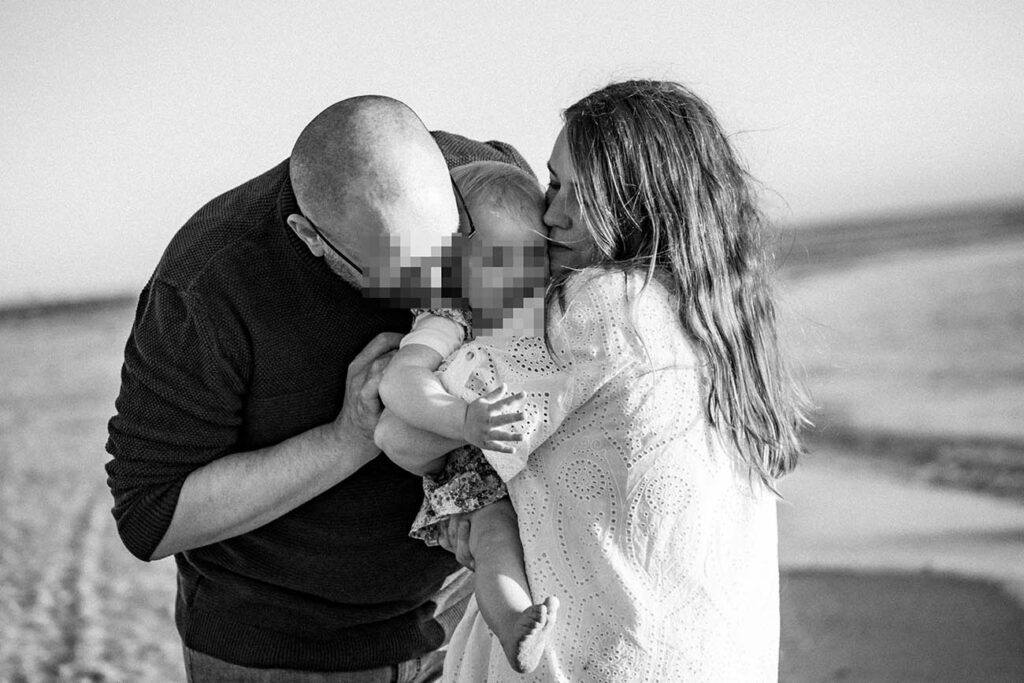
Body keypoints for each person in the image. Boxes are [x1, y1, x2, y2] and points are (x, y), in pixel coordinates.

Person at [384, 80, 810, 682]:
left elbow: (400, 438)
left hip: (607, 659)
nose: (549, 214)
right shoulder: (722, 315)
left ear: (638, 202)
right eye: (552, 184)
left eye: (570, 192)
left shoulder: (609, 304)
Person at [104, 96, 534, 682]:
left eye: (452, 249)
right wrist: (349, 436)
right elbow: (149, 517)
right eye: (400, 276)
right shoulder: (208, 281)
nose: (436, 290)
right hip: (285, 653)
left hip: (465, 615)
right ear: (309, 237)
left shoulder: (490, 183)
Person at [375, 160, 565, 674]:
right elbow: (399, 382)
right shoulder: (449, 317)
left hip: (534, 469)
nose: (522, 279)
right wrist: (461, 420)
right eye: (500, 263)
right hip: (470, 470)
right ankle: (513, 625)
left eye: (534, 257)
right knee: (493, 536)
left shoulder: (548, 304)